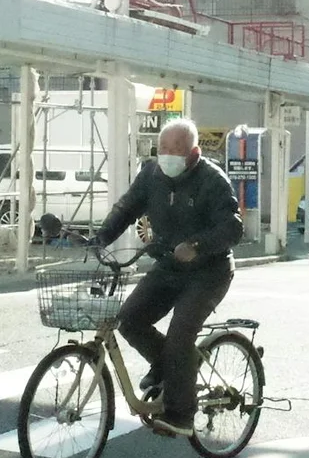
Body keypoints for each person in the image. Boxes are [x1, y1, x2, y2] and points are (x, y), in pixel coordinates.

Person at [93, 117, 243, 438]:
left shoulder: (212, 180)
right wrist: (100, 237)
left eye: (176, 148)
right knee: (129, 320)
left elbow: (233, 228)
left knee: (180, 334)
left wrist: (196, 245)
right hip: (168, 266)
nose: (168, 154)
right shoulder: (150, 174)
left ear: (193, 153)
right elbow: (126, 208)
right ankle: (169, 370)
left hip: (209, 271)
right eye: (163, 147)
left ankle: (182, 415)